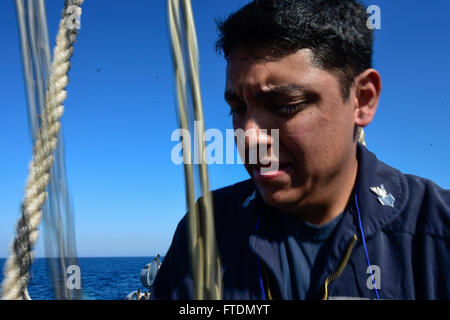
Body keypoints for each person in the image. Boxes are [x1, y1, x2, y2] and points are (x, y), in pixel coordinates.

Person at [152, 0, 450, 300]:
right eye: (238, 109)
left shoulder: (437, 230)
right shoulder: (204, 231)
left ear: (362, 99)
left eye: (285, 105)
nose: (250, 137)